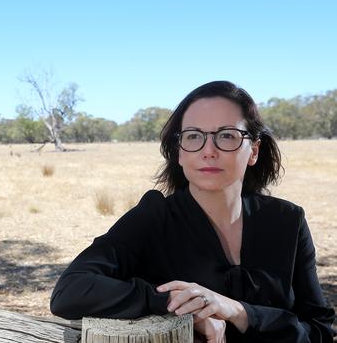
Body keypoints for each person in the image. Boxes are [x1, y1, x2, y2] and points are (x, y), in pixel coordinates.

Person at [50, 81, 336, 342]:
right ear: (179, 151)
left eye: (226, 135)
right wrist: (175, 303)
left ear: (254, 151)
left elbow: (320, 331)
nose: (208, 150)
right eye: (194, 136)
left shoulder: (287, 221)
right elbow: (69, 292)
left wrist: (237, 311)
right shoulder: (154, 218)